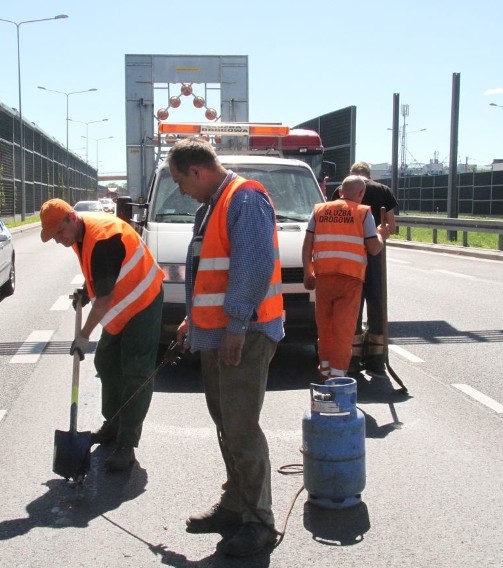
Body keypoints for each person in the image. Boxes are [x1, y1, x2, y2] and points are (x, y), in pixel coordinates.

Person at [169, 137, 282, 558]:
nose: (182, 191)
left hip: (245, 334)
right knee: (225, 423)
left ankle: (259, 522)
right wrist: (193, 319)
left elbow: (253, 268)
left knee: (241, 427)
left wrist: (235, 323)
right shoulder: (211, 207)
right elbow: (212, 273)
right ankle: (236, 506)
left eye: (182, 181)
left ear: (198, 171)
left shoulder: (245, 199)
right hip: (219, 331)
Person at [40, 198, 164, 473]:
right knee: (106, 361)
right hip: (123, 303)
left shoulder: (104, 238)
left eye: (59, 232)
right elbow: (101, 274)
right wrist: (87, 289)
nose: (59, 240)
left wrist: (83, 336)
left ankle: (126, 444)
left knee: (136, 372)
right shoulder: (81, 235)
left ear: (71, 218)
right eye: (54, 237)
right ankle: (114, 425)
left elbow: (105, 296)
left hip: (143, 300)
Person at [303, 175, 387, 379]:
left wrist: (308, 271)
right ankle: (338, 378)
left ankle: (324, 372)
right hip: (350, 280)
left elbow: (308, 243)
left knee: (325, 328)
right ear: (361, 194)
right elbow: (374, 248)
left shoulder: (319, 211)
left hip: (323, 278)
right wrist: (381, 234)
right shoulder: (363, 213)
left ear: (341, 191)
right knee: (343, 331)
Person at [330, 161, 398, 373]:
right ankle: (376, 358)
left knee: (352, 304)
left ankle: (352, 357)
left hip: (348, 256)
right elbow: (392, 227)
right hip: (374, 255)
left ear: (352, 175)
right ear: (369, 175)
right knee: (376, 301)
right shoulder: (383, 191)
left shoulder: (340, 191)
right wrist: (381, 231)